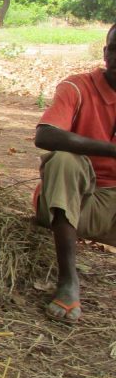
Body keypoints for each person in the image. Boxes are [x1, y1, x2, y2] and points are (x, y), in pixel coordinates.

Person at [34, 24, 116, 323]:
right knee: (64, 160)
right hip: (71, 203)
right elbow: (45, 135)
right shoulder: (77, 88)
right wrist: (110, 150)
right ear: (106, 53)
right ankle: (69, 281)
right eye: (115, 50)